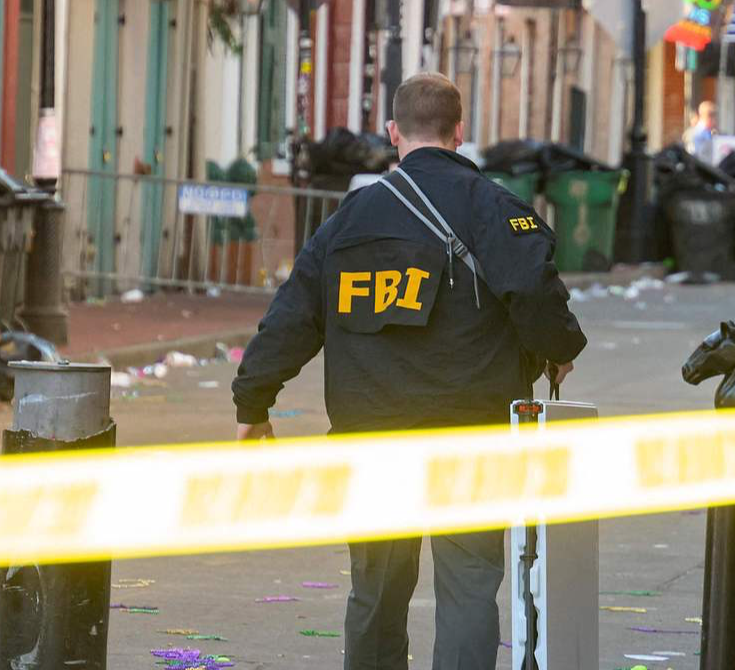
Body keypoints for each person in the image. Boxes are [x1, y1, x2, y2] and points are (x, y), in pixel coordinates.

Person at [231, 72, 587, 670]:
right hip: (469, 429)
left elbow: (293, 316)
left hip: (371, 431)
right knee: (470, 582)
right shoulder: (493, 206)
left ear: (393, 132)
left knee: (375, 586)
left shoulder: (347, 220)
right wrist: (560, 347)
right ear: (460, 132)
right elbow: (533, 289)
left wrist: (253, 406)